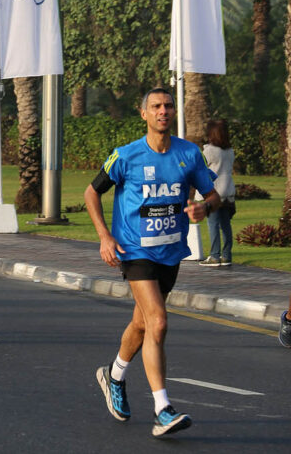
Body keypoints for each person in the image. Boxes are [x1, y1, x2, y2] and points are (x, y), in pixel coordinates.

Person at [85, 88, 218, 438]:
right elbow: (90, 192)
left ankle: (113, 374)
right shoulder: (126, 156)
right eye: (156, 106)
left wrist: (205, 207)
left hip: (170, 252)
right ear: (143, 114)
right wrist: (104, 236)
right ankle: (162, 409)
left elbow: (215, 196)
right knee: (158, 322)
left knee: (142, 325)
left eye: (168, 105)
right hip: (135, 250)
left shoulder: (189, 154)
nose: (163, 111)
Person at [198, 119, 235, 267]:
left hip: (214, 193)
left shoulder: (209, 151)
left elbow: (200, 167)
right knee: (226, 225)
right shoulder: (230, 151)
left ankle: (214, 256)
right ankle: (226, 255)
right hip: (228, 191)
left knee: (212, 224)